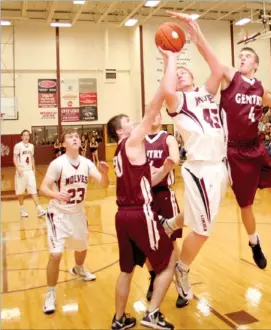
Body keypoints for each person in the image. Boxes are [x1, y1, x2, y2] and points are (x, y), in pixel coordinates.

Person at [169, 12, 271, 268]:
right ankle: (253, 241)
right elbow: (209, 56)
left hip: (256, 147)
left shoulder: (259, 87)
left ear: (256, 64)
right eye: (241, 56)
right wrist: (195, 31)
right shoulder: (229, 77)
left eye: (247, 57)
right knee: (246, 206)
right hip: (234, 152)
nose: (242, 59)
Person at [160, 25, 227, 301]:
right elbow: (166, 90)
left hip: (219, 167)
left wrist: (198, 33)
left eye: (184, 72)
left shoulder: (205, 94)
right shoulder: (178, 101)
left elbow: (219, 71)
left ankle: (168, 225)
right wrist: (171, 57)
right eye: (176, 75)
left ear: (193, 76)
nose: (180, 75)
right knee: (203, 229)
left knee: (199, 217)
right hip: (199, 168)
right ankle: (183, 270)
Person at [107, 87, 177, 330]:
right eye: (127, 120)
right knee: (170, 261)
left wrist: (166, 170)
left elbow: (148, 180)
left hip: (122, 215)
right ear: (119, 131)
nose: (132, 121)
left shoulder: (122, 152)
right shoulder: (132, 141)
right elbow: (151, 112)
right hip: (140, 213)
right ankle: (153, 313)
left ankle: (119, 319)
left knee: (126, 270)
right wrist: (165, 88)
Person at [39, 129, 109, 314]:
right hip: (58, 215)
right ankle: (51, 294)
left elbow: (104, 184)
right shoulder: (57, 164)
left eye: (77, 136)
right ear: (63, 144)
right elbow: (43, 188)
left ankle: (78, 269)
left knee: (82, 247)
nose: (75, 138)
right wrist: (55, 194)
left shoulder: (86, 163)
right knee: (55, 254)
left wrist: (106, 173)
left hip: (78, 213)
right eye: (70, 137)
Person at [145, 112, 188, 308]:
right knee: (146, 242)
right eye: (150, 114)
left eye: (157, 114)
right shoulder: (140, 140)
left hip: (163, 195)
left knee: (170, 244)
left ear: (161, 118)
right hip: (144, 196)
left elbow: (175, 157)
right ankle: (153, 277)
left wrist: (169, 162)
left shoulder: (167, 138)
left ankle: (182, 285)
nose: (154, 117)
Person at [13, 130, 46, 217]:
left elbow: (32, 158)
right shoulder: (18, 146)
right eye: (24, 135)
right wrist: (18, 167)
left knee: (33, 190)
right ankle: (22, 209)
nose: (26, 137)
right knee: (20, 192)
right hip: (21, 171)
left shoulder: (31, 146)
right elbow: (15, 158)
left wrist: (34, 169)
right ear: (21, 137)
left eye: (27, 135)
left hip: (29, 171)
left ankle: (39, 209)